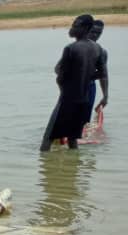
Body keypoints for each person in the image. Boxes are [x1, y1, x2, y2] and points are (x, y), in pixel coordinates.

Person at [41, 15, 104, 151]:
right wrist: (85, 77)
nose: (72, 28)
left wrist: (65, 87)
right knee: (73, 139)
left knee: (48, 139)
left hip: (68, 99)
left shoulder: (71, 48)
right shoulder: (98, 49)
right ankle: (74, 170)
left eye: (76, 25)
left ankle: (44, 167)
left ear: (85, 28)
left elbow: (61, 75)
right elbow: (102, 74)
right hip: (84, 100)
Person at [87, 20, 109, 116]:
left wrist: (105, 96)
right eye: (92, 32)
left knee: (84, 117)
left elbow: (103, 75)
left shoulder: (102, 52)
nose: (95, 35)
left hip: (90, 88)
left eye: (99, 33)